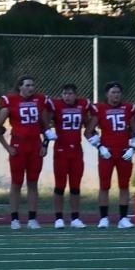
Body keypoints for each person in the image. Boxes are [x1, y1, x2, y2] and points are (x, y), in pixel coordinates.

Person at [0, 75, 50, 230]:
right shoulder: (10, 100)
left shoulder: (40, 100)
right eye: (27, 85)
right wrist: (7, 147)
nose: (31, 88)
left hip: (35, 144)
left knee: (33, 182)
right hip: (18, 144)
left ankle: (32, 218)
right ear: (20, 86)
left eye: (32, 85)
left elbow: (46, 126)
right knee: (16, 183)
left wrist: (45, 143)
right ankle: (14, 219)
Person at [89, 83, 135, 229]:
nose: (116, 95)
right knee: (104, 186)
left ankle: (123, 218)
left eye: (118, 92)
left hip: (123, 152)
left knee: (124, 185)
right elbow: (88, 131)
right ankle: (104, 218)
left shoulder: (128, 108)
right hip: (107, 152)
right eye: (113, 92)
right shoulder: (100, 108)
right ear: (107, 94)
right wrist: (99, 146)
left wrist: (132, 148)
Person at [47, 84, 92, 228]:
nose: (67, 96)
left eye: (70, 93)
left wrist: (96, 139)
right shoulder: (56, 105)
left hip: (76, 150)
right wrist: (45, 138)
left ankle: (75, 218)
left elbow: (87, 123)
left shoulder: (82, 105)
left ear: (76, 95)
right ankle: (58, 218)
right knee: (60, 185)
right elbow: (44, 121)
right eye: (64, 93)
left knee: (75, 186)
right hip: (61, 149)